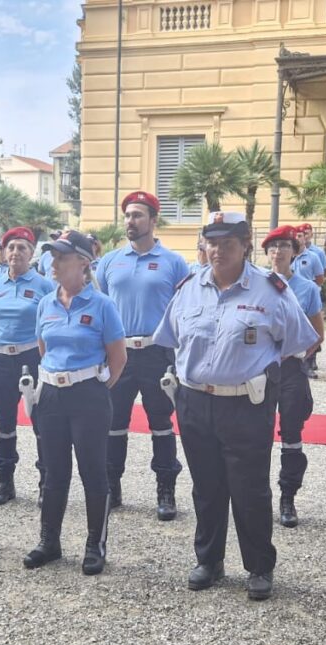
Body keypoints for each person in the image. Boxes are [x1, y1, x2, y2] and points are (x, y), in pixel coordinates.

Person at [154, 212, 319, 598]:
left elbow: (301, 341)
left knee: (250, 490)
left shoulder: (271, 290)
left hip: (246, 404)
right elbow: (172, 338)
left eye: (227, 243)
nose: (218, 250)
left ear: (245, 245)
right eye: (211, 242)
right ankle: (208, 561)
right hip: (194, 401)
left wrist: (260, 372)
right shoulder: (189, 288)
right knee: (206, 486)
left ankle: (259, 566)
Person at [23, 230, 126, 575]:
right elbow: (44, 349)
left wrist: (95, 387)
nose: (53, 263)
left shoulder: (102, 305)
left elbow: (118, 358)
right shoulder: (46, 303)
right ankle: (49, 542)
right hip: (51, 394)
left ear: (83, 263)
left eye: (62, 257)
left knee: (92, 471)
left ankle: (95, 545)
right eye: (53, 256)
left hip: (88, 395)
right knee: (54, 471)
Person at [95, 191, 189, 519]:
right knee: (113, 423)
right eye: (127, 215)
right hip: (119, 353)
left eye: (137, 215)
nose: (130, 221)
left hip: (157, 353)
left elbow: (184, 309)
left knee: (161, 423)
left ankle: (166, 490)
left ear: (153, 220)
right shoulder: (109, 262)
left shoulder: (174, 262)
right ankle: (112, 487)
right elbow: (101, 308)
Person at [0, 226, 54, 505]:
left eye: (22, 248)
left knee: (42, 423)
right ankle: (5, 481)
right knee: (4, 423)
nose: (15, 253)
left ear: (31, 252)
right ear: (3, 252)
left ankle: (46, 482)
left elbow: (50, 324)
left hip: (31, 358)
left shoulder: (44, 286)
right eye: (10, 247)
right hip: (1, 360)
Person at [263, 225, 325, 527]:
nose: (278, 252)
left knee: (291, 434)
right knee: (255, 433)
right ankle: (257, 495)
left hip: (290, 370)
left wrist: (296, 352)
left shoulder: (307, 289)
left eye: (284, 247)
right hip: (260, 370)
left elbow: (317, 334)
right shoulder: (256, 284)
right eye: (273, 248)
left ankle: (288, 496)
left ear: (295, 252)